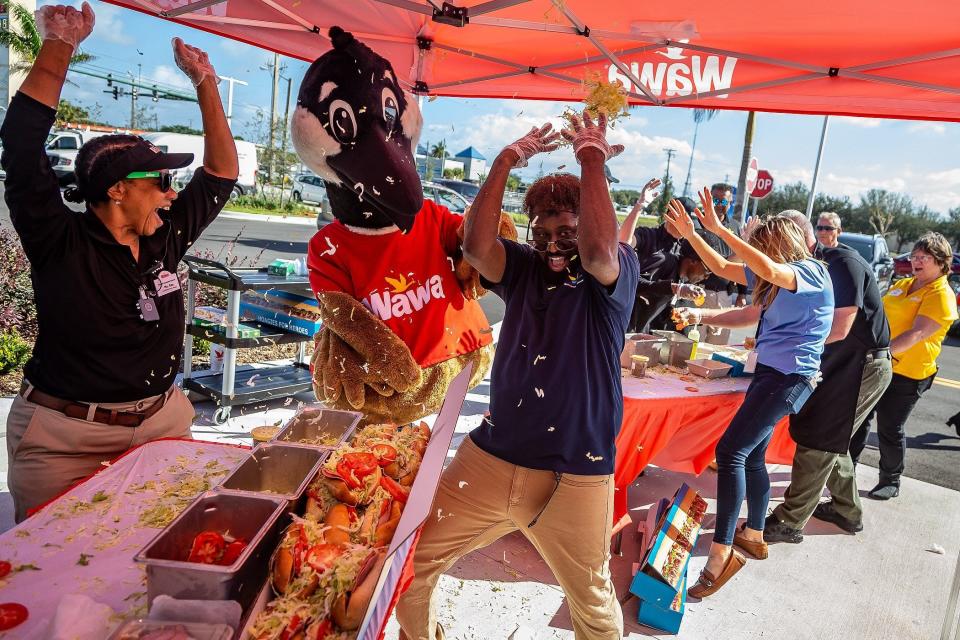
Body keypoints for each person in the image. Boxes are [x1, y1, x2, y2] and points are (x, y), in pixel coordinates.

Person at [396, 112, 639, 640]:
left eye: (567, 232)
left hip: (577, 471)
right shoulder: (525, 268)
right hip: (493, 458)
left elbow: (599, 251)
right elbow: (476, 249)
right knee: (407, 567)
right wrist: (505, 161)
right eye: (544, 232)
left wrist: (591, 156)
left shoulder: (615, 271)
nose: (555, 244)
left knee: (594, 609)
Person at [1, 3, 238, 522]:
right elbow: (19, 147)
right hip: (65, 440)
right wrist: (60, 43)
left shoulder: (164, 236)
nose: (172, 195)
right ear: (114, 191)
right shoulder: (58, 239)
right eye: (160, 182)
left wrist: (206, 82)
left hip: (162, 424)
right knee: (56, 582)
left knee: (168, 562)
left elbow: (220, 174)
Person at [666, 193, 833, 598]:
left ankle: (721, 552)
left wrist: (721, 229)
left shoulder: (811, 272)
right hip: (771, 374)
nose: (755, 261)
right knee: (752, 455)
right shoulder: (776, 277)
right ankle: (754, 534)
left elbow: (770, 269)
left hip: (790, 378)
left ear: (775, 247)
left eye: (760, 250)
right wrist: (693, 233)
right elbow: (723, 266)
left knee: (731, 453)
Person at [763, 211, 892, 543]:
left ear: (800, 239)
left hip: (863, 366)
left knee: (819, 439)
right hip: (843, 364)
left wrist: (786, 344)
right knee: (830, 440)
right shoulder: (812, 267)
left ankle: (790, 521)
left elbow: (839, 328)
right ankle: (848, 512)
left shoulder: (843, 264)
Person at [849, 232, 958, 500]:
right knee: (859, 419)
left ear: (942, 262)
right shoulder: (904, 284)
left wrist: (878, 354)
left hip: (908, 374)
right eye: (915, 256)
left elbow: (918, 333)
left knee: (890, 427)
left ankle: (891, 480)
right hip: (879, 365)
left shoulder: (941, 294)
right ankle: (845, 471)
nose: (916, 261)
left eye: (925, 257)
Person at [619, 192, 708, 332]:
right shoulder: (647, 236)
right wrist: (639, 206)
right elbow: (624, 242)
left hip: (652, 325)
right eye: (686, 222)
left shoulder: (685, 247)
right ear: (671, 216)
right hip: (626, 318)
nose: (688, 228)